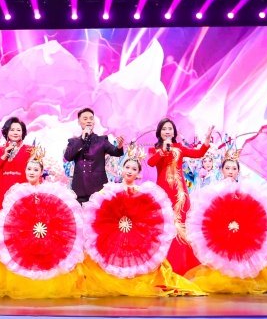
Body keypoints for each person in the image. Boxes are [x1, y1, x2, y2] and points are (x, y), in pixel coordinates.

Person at [81, 150, 205, 297]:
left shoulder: (142, 192)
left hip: (135, 234)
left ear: (138, 174)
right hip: (114, 233)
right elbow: (99, 212)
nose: (130, 171)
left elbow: (149, 216)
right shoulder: (110, 191)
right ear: (122, 169)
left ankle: (132, 281)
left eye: (134, 169)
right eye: (127, 167)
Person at [145, 119, 213, 275]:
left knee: (181, 226)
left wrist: (206, 141)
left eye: (170, 128)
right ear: (159, 132)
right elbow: (150, 163)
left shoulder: (180, 148)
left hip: (180, 194)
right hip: (162, 194)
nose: (167, 131)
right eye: (164, 129)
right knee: (165, 227)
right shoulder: (155, 149)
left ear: (174, 132)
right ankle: (164, 265)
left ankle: (182, 265)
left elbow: (199, 153)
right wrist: (163, 150)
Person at [63, 108, 125, 204]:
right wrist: (82, 139)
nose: (89, 121)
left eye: (91, 118)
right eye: (85, 118)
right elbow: (68, 156)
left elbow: (116, 152)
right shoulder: (74, 142)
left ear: (94, 122)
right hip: (79, 188)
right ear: (79, 122)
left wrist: (119, 146)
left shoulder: (102, 140)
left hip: (98, 188)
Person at [0, 117, 34, 218]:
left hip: (21, 191)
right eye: (12, 130)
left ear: (23, 132)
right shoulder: (0, 150)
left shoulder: (29, 150)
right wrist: (4, 155)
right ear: (7, 132)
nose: (15, 132)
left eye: (18, 130)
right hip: (2, 191)